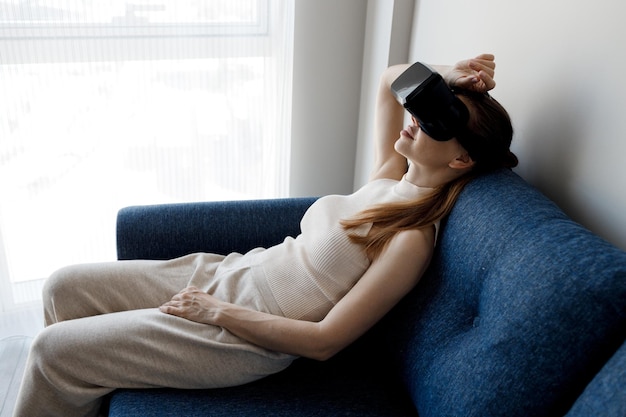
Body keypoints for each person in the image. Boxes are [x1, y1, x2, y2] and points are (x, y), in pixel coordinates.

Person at [14, 54, 517, 417]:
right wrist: (448, 78)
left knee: (51, 354)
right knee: (63, 285)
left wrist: (217, 312)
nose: (413, 121)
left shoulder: (411, 238)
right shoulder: (389, 179)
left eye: (432, 122)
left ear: (461, 159)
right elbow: (391, 79)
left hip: (237, 333)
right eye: (424, 109)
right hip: (227, 271)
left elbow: (325, 341)